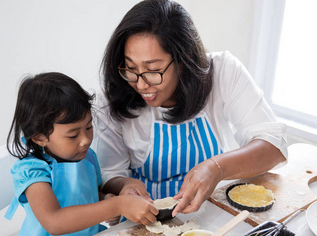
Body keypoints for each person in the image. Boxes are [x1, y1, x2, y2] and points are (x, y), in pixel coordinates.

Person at [95, 0, 288, 218]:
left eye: (153, 70)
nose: (141, 84)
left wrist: (217, 167)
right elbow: (109, 171)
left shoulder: (222, 71)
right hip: (147, 219)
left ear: (182, 61)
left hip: (215, 212)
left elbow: (275, 145)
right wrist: (125, 185)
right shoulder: (114, 98)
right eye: (130, 68)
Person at [0, 72, 157, 236]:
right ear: (39, 137)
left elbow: (88, 195)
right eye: (73, 135)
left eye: (88, 128)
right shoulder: (33, 171)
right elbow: (54, 221)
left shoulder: (88, 158)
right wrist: (117, 205)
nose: (85, 140)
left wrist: (106, 199)